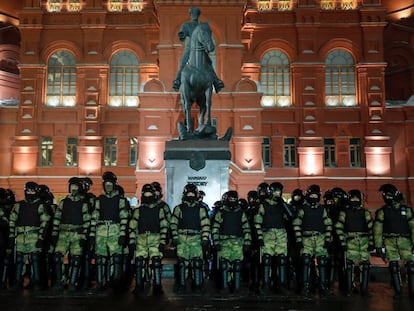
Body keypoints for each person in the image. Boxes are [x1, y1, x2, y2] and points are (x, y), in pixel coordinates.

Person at [89, 171, 129, 291]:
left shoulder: (120, 200)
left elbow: (124, 218)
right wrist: (91, 235)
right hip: (101, 231)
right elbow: (94, 218)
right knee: (100, 259)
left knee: (116, 258)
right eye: (106, 184)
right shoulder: (99, 200)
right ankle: (100, 283)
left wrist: (122, 234)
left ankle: (115, 282)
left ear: (114, 185)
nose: (108, 187)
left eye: (110, 184)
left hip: (115, 230)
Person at [373, 184, 414, 300]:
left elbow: (413, 227)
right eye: (385, 195)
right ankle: (398, 292)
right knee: (393, 266)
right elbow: (378, 229)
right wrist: (378, 245)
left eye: (389, 195)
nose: (386, 197)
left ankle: (412, 291)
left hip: (405, 240)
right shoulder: (382, 211)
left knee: (411, 266)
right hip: (389, 241)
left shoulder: (406, 210)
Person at [7, 182, 50, 290]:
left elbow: (44, 222)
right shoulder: (18, 205)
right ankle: (17, 282)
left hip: (34, 236)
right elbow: (12, 220)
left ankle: (36, 282)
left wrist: (41, 238)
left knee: (35, 260)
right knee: (19, 260)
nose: (30, 193)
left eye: (32, 191)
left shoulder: (40, 205)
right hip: (21, 237)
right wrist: (12, 237)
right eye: (28, 191)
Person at [253, 182, 295, 295]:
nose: (278, 193)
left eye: (279, 191)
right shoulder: (263, 205)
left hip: (281, 234)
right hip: (267, 234)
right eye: (276, 191)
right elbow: (257, 222)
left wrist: (284, 204)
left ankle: (281, 285)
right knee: (266, 260)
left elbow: (291, 216)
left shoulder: (281, 205)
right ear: (270, 191)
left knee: (282, 260)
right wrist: (259, 237)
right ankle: (265, 285)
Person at [172, 6, 224, 93]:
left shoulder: (202, 25)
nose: (194, 15)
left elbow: (207, 36)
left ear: (198, 15)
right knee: (183, 63)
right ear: (190, 15)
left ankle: (216, 82)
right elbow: (182, 35)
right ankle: (177, 81)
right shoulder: (186, 25)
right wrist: (182, 34)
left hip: (201, 50)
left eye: (196, 13)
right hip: (189, 49)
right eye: (192, 13)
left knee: (209, 63)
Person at [129, 184, 169, 296]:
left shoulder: (159, 210)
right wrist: (132, 242)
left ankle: (157, 286)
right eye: (146, 195)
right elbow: (132, 227)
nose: (148, 196)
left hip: (155, 238)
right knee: (139, 262)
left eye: (149, 194)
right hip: (141, 239)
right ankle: (139, 285)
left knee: (156, 262)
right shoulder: (138, 211)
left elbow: (164, 226)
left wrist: (162, 241)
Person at [51, 177, 90, 291]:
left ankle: (72, 282)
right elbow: (57, 218)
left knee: (76, 259)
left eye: (76, 187)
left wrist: (84, 236)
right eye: (72, 186)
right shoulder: (63, 202)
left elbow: (87, 220)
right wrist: (54, 234)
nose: (73, 189)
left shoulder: (83, 203)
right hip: (63, 233)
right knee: (58, 257)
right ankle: (60, 281)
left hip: (77, 234)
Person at [293, 184, 332, 296]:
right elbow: (297, 225)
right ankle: (305, 286)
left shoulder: (322, 209)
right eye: (312, 195)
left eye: (316, 195)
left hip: (320, 238)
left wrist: (328, 240)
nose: (314, 197)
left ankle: (323, 286)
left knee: (322, 261)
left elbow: (328, 224)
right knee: (305, 261)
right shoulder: (302, 209)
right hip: (306, 239)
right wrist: (299, 240)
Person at [170, 184, 210, 293]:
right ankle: (181, 285)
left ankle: (197, 285)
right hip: (182, 238)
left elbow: (205, 224)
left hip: (196, 238)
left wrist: (205, 238)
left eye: (192, 194)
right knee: (182, 263)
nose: (190, 196)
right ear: (184, 194)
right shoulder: (179, 208)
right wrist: (174, 236)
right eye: (188, 194)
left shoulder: (201, 209)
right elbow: (173, 223)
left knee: (197, 263)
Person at [335, 189, 374, 297]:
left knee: (365, 265)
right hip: (350, 241)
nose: (355, 200)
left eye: (357, 198)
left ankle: (364, 289)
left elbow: (371, 228)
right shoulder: (344, 212)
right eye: (353, 198)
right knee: (349, 266)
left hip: (364, 241)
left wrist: (372, 242)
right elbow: (339, 227)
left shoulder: (365, 212)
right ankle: (349, 289)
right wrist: (342, 242)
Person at [211, 190, 251, 294]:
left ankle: (236, 287)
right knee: (224, 265)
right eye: (231, 199)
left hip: (237, 242)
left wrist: (247, 243)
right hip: (224, 243)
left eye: (234, 199)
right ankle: (225, 287)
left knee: (237, 266)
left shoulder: (241, 213)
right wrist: (216, 242)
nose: (233, 201)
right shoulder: (221, 213)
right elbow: (215, 228)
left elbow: (246, 228)